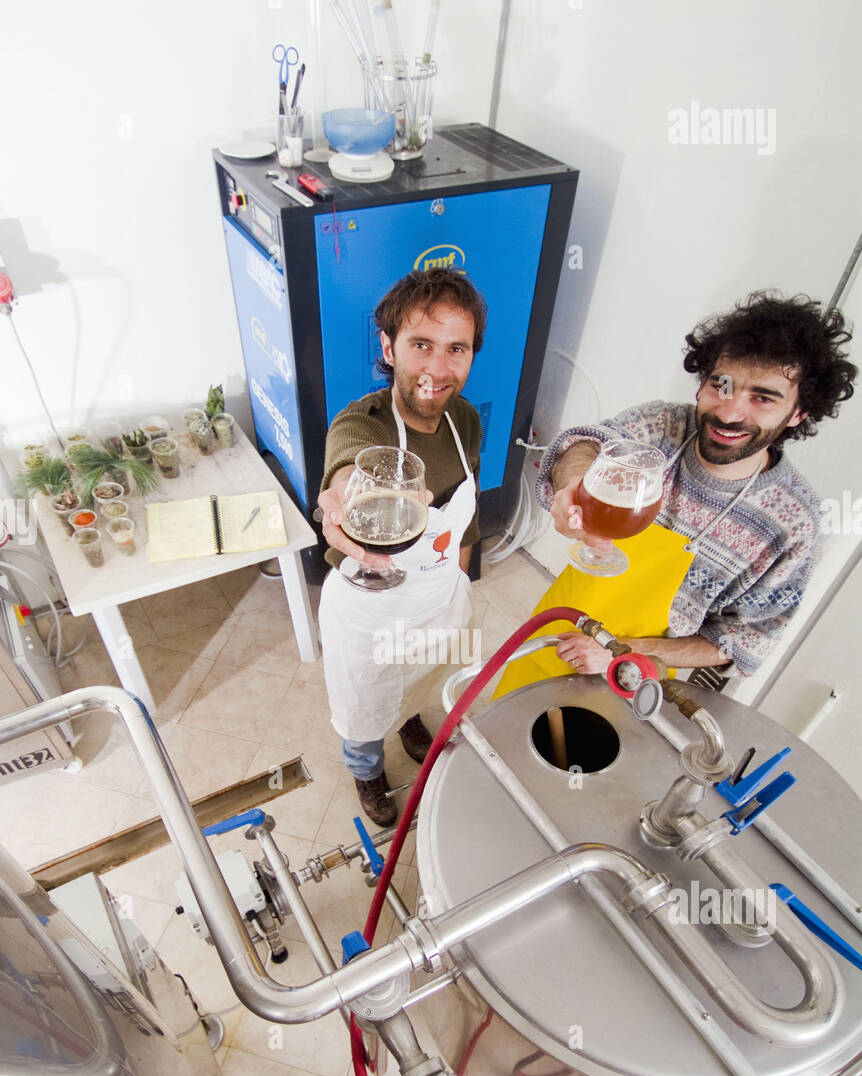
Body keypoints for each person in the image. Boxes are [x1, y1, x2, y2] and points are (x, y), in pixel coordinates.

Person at [495, 292, 856, 697]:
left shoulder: (794, 525)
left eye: (762, 398)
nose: (730, 411)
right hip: (560, 626)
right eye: (721, 385)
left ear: (798, 413)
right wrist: (573, 484)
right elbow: (585, 444)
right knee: (506, 716)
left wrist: (621, 651)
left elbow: (737, 643)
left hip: (637, 671)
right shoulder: (663, 426)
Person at [317, 268, 487, 826]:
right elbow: (346, 466)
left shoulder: (463, 419)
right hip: (372, 606)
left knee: (423, 677)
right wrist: (341, 499)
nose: (438, 369)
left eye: (455, 349)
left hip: (434, 597)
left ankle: (410, 718)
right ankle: (365, 770)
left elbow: (464, 515)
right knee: (367, 700)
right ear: (388, 348)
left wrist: (458, 580)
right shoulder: (362, 425)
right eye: (421, 345)